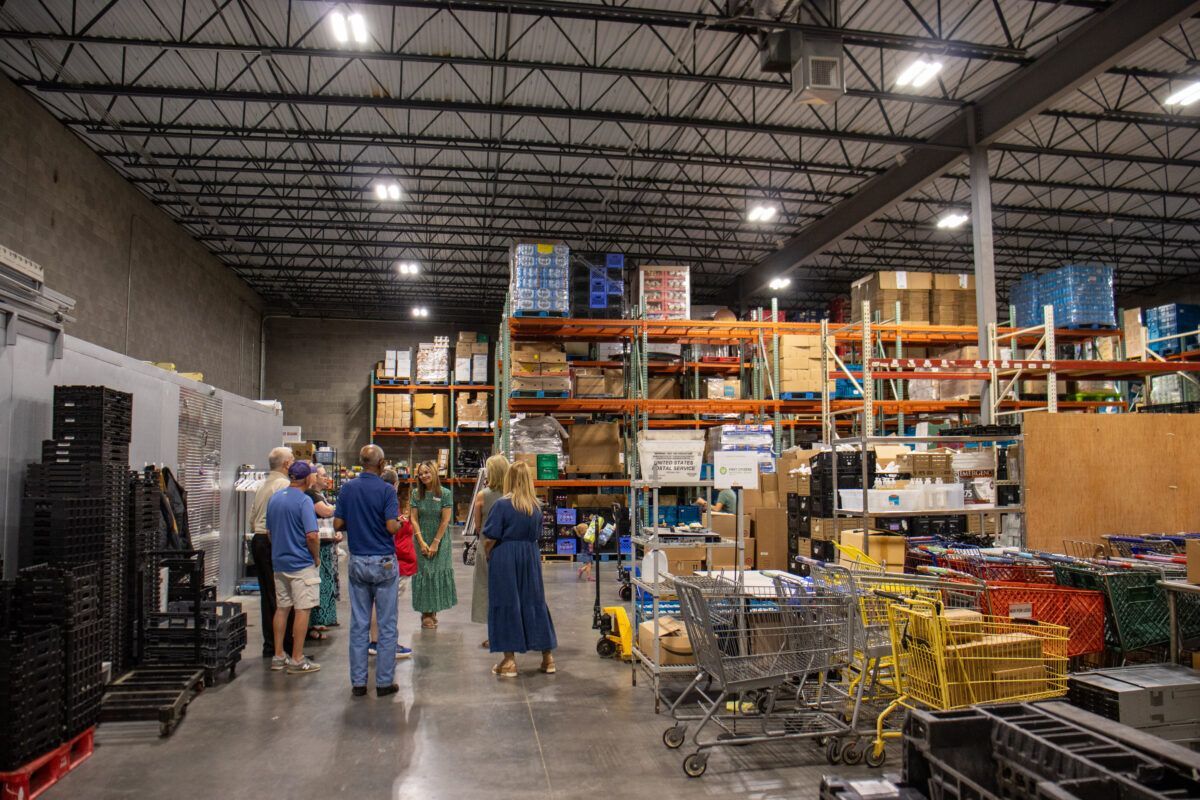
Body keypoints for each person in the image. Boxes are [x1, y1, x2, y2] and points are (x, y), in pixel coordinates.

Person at [335, 445, 404, 697]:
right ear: (382, 463)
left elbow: (338, 523)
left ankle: (359, 682)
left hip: (357, 561)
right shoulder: (386, 490)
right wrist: (398, 522)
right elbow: (390, 527)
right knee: (386, 624)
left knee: (359, 623)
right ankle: (384, 682)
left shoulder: (348, 488)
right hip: (383, 561)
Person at [484, 461, 557, 677]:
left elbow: (491, 537)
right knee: (535, 602)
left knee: (506, 602)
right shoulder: (535, 507)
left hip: (505, 556)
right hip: (530, 556)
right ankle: (547, 658)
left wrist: (489, 554)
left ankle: (509, 661)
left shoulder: (502, 505)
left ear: (509, 478)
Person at [265, 460, 322, 675]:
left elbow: (269, 532)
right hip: (301, 564)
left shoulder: (275, 498)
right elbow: (312, 535)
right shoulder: (304, 501)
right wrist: (315, 557)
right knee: (302, 610)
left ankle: (279, 655)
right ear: (307, 478)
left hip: (279, 563)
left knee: (282, 608)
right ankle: (297, 658)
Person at [249, 446, 295, 657]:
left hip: (258, 540)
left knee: (268, 596)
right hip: (271, 541)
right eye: (293, 460)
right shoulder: (283, 485)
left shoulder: (262, 485)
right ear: (286, 464)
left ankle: (271, 644)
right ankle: (282, 646)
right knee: (282, 597)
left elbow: (252, 519)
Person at [411, 461, 456, 629]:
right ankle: (426, 613)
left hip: (440, 539)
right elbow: (414, 518)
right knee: (424, 573)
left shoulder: (445, 493)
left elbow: (445, 520)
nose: (423, 476)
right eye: (421, 473)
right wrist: (421, 541)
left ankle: (433, 610)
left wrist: (436, 542)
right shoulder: (416, 494)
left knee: (435, 572)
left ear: (435, 473)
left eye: (427, 472)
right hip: (421, 537)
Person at [470, 455, 509, 649]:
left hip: (487, 547)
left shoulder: (482, 496)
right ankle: (508, 631)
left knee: (486, 589)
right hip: (508, 548)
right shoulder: (513, 494)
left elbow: (478, 526)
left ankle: (493, 634)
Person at [306, 465, 339, 635]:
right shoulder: (311, 495)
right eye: (323, 475)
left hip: (327, 541)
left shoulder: (320, 495)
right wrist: (338, 507)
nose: (327, 478)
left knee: (327, 581)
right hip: (319, 543)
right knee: (321, 582)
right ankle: (316, 621)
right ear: (314, 477)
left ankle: (324, 619)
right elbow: (325, 512)